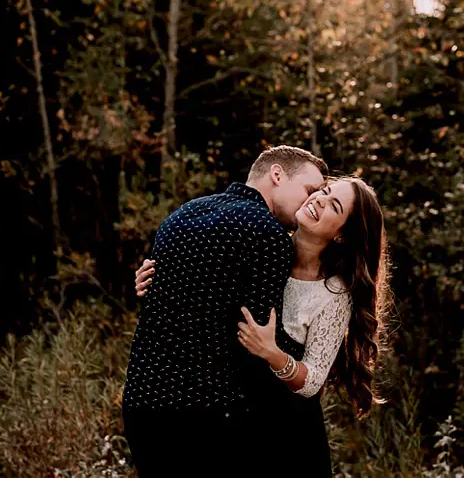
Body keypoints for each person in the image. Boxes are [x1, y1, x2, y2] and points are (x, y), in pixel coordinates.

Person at [135, 176, 390, 477]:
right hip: (233, 416)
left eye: (334, 206)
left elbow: (313, 381)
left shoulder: (333, 293)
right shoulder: (262, 243)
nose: (320, 200)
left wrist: (273, 354)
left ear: (342, 236)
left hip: (287, 431)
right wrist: (154, 277)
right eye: (324, 191)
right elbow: (203, 294)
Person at [121, 145, 328, 477]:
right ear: (277, 174)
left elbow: (165, 305)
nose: (311, 202)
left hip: (142, 408)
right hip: (204, 419)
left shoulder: (182, 215)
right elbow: (256, 342)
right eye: (309, 190)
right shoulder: (268, 234)